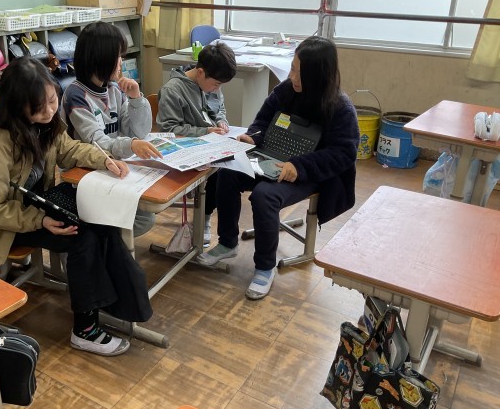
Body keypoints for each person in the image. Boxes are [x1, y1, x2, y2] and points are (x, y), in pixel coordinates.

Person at [0, 56, 152, 356]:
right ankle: (85, 330)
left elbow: (69, 149)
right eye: (40, 106)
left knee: (101, 220)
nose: (50, 111)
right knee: (83, 237)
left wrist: (104, 160)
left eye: (52, 100)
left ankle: (118, 305)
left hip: (36, 204)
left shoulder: (43, 126)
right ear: (16, 104)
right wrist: (40, 220)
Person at [196, 36, 359, 300]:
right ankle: (227, 242)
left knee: (265, 195)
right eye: (292, 68)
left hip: (309, 172)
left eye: (299, 72)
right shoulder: (286, 90)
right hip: (271, 156)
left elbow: (343, 153)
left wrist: (300, 166)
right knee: (227, 173)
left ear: (318, 75)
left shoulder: (340, 107)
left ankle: (264, 267)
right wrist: (253, 138)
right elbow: (262, 121)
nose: (292, 76)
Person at [62, 21, 162, 238]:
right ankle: (101, 242)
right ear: (102, 57)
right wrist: (131, 144)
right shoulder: (75, 95)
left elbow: (139, 132)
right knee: (140, 217)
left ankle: (104, 242)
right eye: (118, 56)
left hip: (114, 167)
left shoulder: (114, 89)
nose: (121, 62)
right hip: (86, 174)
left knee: (146, 214)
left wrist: (136, 98)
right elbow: (96, 143)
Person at [156, 43, 237, 246]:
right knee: (220, 171)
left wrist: (221, 121)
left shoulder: (211, 82)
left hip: (209, 144)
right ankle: (204, 219)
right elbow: (169, 130)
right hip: (184, 149)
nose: (217, 89)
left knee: (229, 168)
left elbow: (220, 108)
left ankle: (205, 217)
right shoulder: (173, 90)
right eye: (216, 84)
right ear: (200, 72)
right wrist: (205, 132)